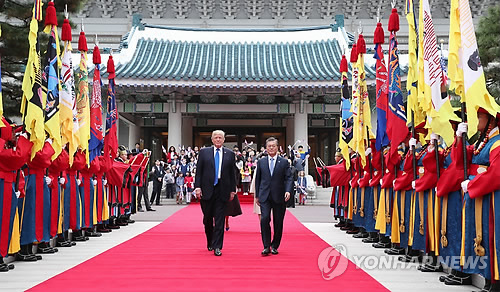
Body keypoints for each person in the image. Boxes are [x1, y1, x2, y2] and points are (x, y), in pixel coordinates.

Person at [194, 130, 236, 256]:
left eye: (220, 138)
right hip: (207, 189)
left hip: (222, 190)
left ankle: (218, 246)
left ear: (224, 140)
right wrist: (197, 187)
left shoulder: (229, 154)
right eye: (216, 138)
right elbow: (199, 171)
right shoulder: (204, 152)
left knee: (219, 220)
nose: (218, 140)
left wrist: (233, 190)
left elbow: (232, 173)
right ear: (212, 139)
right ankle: (210, 241)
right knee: (207, 219)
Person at [254, 137, 293, 256]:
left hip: (279, 195)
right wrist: (257, 195)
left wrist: (288, 191)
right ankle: (266, 246)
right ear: (266, 148)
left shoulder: (284, 162)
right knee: (264, 219)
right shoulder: (261, 162)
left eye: (273, 146)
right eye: (269, 146)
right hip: (264, 195)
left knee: (278, 221)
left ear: (277, 148)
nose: (271, 148)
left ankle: (275, 245)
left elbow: (289, 178)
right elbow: (258, 179)